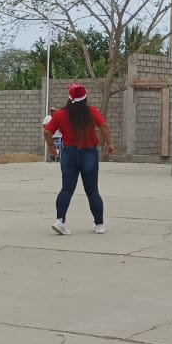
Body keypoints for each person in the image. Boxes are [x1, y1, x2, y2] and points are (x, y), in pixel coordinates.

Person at [44, 84, 114, 234]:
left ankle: (60, 221)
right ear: (85, 97)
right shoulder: (91, 111)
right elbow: (104, 126)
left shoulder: (60, 114)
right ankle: (99, 225)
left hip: (69, 154)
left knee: (66, 189)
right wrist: (109, 144)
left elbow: (47, 132)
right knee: (92, 191)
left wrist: (51, 146)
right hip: (88, 153)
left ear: (69, 98)